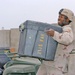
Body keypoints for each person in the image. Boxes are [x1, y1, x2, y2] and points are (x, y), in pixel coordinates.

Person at [36, 8, 74, 75]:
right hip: (47, 63)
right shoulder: (60, 29)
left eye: (61, 17)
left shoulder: (67, 29)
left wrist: (54, 34)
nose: (59, 18)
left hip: (57, 66)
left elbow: (68, 39)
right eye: (59, 16)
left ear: (67, 19)